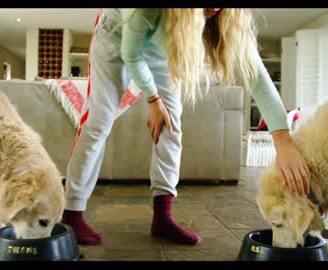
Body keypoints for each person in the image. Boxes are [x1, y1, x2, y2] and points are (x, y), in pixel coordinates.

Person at [62, 8, 310, 246]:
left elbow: (257, 77)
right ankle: (72, 213)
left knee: (171, 127)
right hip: (118, 34)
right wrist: (154, 100)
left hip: (163, 49)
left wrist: (284, 142)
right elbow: (132, 55)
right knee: (99, 120)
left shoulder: (226, 15)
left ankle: (162, 217)